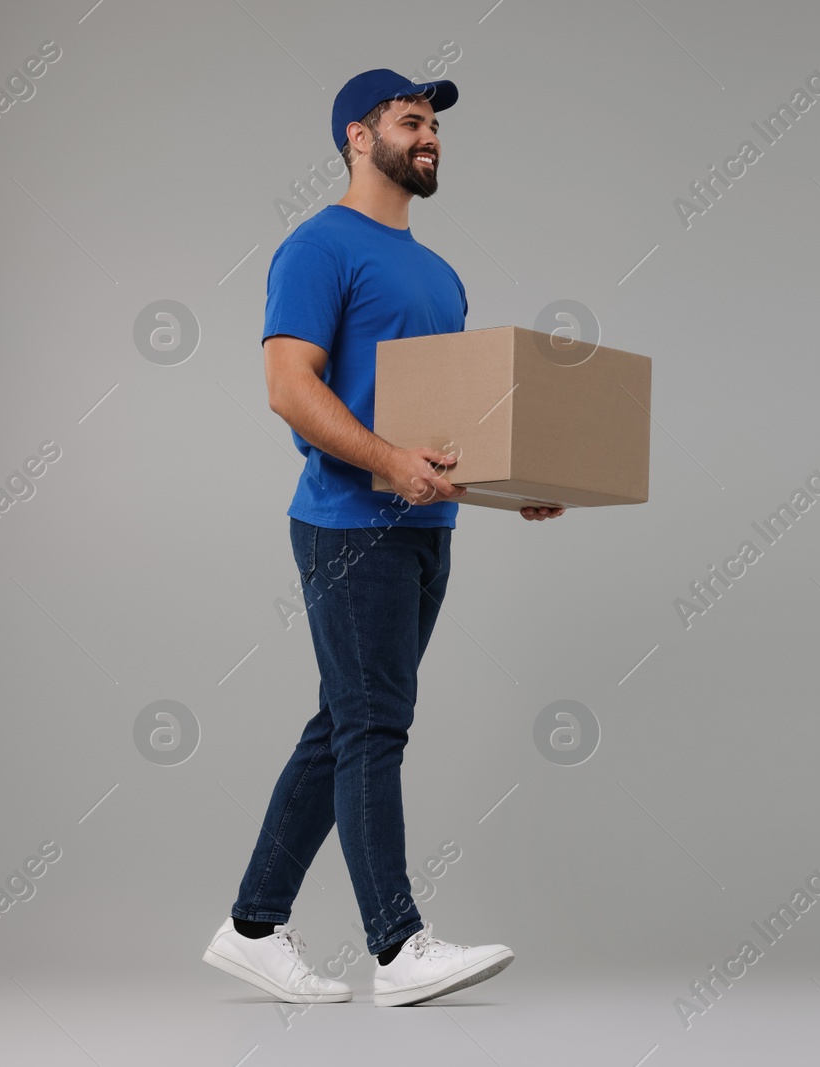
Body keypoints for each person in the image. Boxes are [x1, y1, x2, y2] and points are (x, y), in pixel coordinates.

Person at [201, 68, 560, 1008]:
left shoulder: (441, 273)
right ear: (359, 138)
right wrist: (390, 463)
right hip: (349, 527)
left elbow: (449, 422)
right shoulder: (318, 247)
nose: (431, 135)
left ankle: (252, 926)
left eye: (435, 123)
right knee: (373, 725)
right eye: (412, 120)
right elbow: (290, 387)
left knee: (345, 723)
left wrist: (513, 481)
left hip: (427, 530)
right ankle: (397, 948)